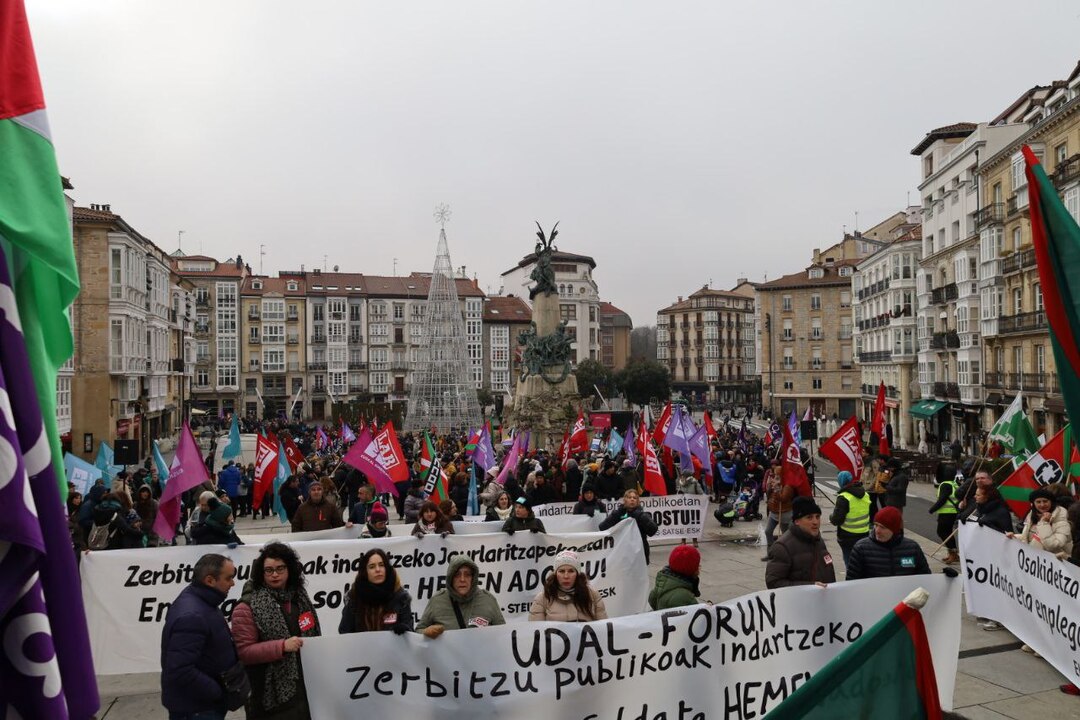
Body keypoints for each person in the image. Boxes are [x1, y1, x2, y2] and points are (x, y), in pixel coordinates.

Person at [231, 542, 321, 719]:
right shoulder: (246, 606)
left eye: (280, 568)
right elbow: (244, 652)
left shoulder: (300, 598)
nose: (274, 574)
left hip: (305, 689)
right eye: (269, 570)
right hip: (267, 696)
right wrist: (281, 647)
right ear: (261, 572)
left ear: (290, 569)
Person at [161, 553, 241, 720]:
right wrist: (217, 691)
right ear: (210, 580)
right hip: (197, 708)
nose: (233, 583)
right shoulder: (192, 616)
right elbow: (180, 670)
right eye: (228, 578)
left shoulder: (204, 600)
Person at [416, 556, 505, 637]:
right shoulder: (437, 601)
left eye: (467, 574)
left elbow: (504, 634)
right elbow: (417, 632)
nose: (462, 579)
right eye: (457, 575)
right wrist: (426, 632)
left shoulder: (488, 600)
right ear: (450, 578)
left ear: (473, 578)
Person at [765, 496, 836, 589]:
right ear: (797, 521)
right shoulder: (782, 547)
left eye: (817, 517)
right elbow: (773, 582)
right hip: (799, 598)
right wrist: (811, 587)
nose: (815, 522)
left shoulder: (818, 540)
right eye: (809, 517)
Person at [339, 548, 413, 634]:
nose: (378, 570)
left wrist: (405, 630)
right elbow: (344, 631)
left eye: (381, 565)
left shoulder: (401, 598)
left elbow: (410, 632)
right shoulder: (354, 597)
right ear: (365, 572)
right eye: (372, 567)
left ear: (387, 568)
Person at [845, 506, 931, 580]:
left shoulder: (912, 549)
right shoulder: (861, 548)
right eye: (876, 525)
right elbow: (851, 582)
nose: (877, 531)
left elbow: (925, 578)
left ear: (894, 530)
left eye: (883, 527)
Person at [529, 550, 608, 622]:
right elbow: (535, 630)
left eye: (571, 571)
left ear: (577, 574)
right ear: (555, 573)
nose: (566, 576)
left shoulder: (593, 596)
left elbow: (603, 628)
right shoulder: (542, 599)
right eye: (561, 571)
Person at [599, 489, 658, 564]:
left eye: (634, 498)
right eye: (629, 497)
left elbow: (653, 530)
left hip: (639, 554)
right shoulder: (618, 514)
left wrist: (640, 516)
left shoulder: (642, 515)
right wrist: (617, 514)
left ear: (637, 501)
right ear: (624, 500)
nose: (632, 499)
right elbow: (602, 527)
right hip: (622, 554)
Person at [1009, 487, 1073, 556]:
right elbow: (1028, 538)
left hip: (1054, 560)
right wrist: (1014, 537)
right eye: (1038, 502)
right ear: (1033, 503)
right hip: (1035, 558)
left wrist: (1044, 523)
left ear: (1051, 502)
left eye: (1045, 501)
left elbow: (1054, 545)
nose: (1042, 505)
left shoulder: (1061, 519)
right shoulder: (1032, 514)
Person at [829, 470, 870, 569]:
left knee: (850, 563)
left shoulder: (844, 497)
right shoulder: (865, 494)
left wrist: (831, 517)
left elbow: (837, 520)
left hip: (848, 536)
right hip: (864, 533)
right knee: (862, 561)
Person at [649, 545, 703, 610]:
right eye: (698, 565)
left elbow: (652, 599)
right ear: (693, 569)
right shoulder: (684, 597)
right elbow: (697, 614)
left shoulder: (662, 584)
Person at [927, 470, 961, 564]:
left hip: (947, 513)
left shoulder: (945, 485)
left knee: (941, 532)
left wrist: (932, 509)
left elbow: (943, 499)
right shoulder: (954, 484)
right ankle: (953, 554)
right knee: (948, 533)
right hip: (953, 512)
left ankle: (953, 553)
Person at [762, 458, 793, 557]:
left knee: (785, 535)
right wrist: (769, 487)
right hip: (773, 512)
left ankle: (787, 554)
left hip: (784, 513)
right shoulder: (774, 483)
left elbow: (783, 499)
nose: (775, 477)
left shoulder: (787, 486)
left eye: (777, 476)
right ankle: (770, 553)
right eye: (775, 475)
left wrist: (777, 489)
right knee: (768, 531)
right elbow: (769, 496)